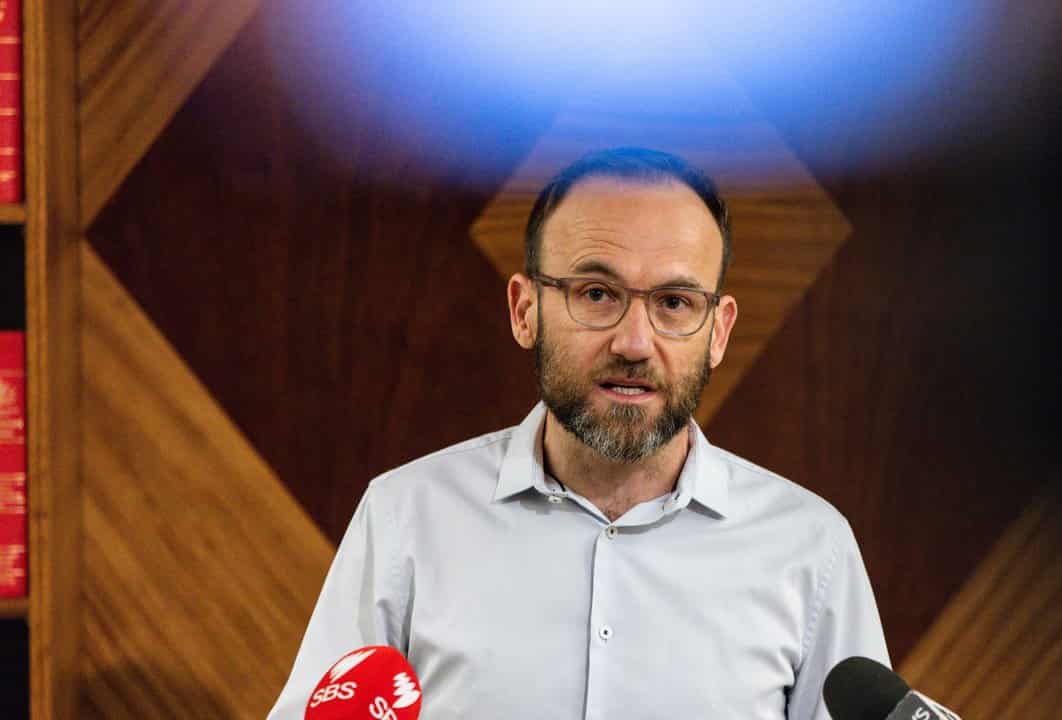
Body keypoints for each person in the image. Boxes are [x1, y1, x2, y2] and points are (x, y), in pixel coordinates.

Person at [267, 147, 890, 719]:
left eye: (674, 302)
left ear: (718, 331)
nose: (634, 342)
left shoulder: (811, 551)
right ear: (524, 310)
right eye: (596, 293)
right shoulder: (404, 517)